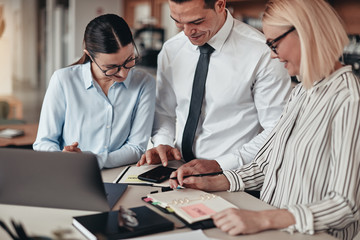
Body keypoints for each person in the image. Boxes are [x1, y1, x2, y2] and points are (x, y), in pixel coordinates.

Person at [169, 0, 360, 239]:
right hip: (274, 229)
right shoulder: (303, 91)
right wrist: (215, 182)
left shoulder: (350, 100)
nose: (271, 55)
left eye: (274, 44)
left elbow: (346, 205)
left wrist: (263, 218)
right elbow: (267, 164)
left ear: (305, 32)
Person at [137, 0, 291, 171]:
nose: (187, 32)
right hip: (178, 169)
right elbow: (164, 111)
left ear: (220, 5)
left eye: (196, 22)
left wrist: (221, 165)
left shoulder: (262, 52)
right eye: (178, 22)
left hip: (234, 175)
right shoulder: (171, 49)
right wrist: (163, 142)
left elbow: (276, 129)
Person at [33, 14, 156, 169]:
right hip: (70, 172)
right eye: (111, 67)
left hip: (119, 175)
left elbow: (136, 147)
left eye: (129, 60)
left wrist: (91, 161)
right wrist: (63, 158)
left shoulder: (145, 83)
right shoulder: (63, 80)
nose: (123, 74)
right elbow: (44, 142)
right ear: (90, 55)